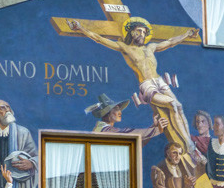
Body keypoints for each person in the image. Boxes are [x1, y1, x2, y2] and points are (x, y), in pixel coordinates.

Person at [67, 17, 198, 154]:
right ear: (132, 33)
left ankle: (187, 140)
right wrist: (81, 28)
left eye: (144, 32)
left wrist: (187, 34)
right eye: (139, 31)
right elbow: (99, 39)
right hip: (147, 85)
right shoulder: (125, 48)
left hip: (159, 80)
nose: (142, 34)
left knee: (179, 106)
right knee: (172, 104)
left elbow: (170, 42)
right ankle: (188, 144)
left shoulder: (151, 47)